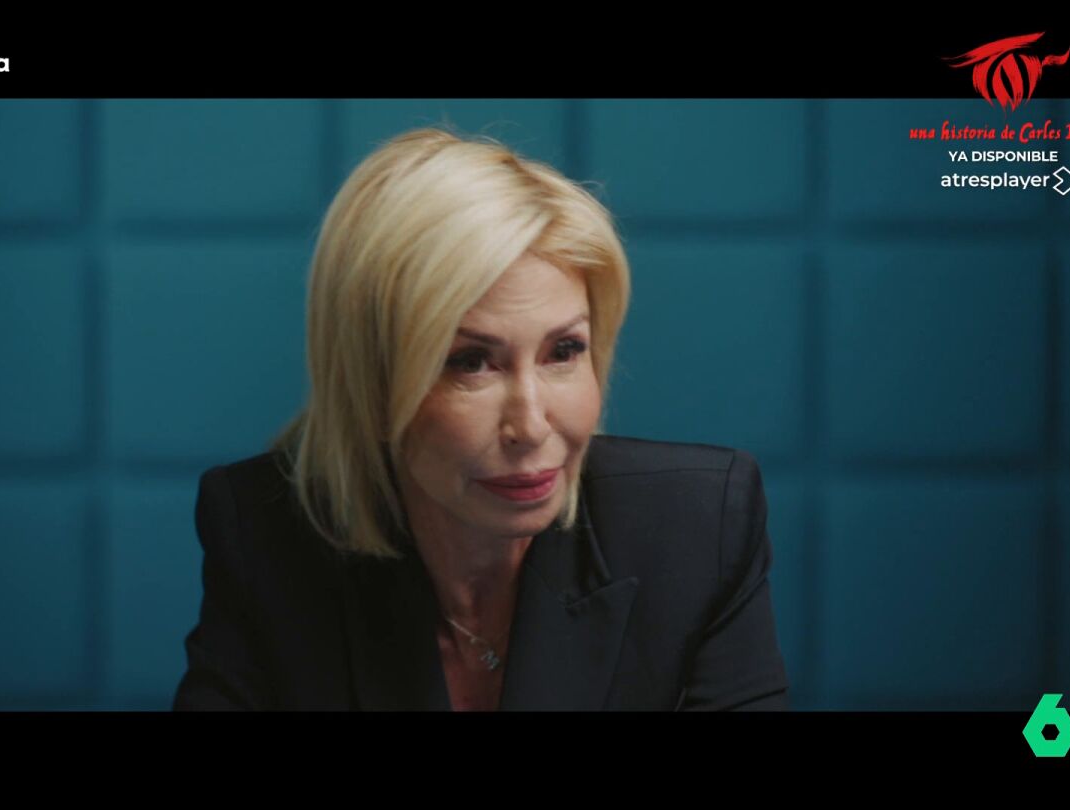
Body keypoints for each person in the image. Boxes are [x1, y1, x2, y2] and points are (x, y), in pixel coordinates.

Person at [173, 127, 790, 711]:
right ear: (372, 383)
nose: (531, 426)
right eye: (470, 362)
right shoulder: (262, 538)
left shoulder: (698, 529)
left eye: (564, 351)